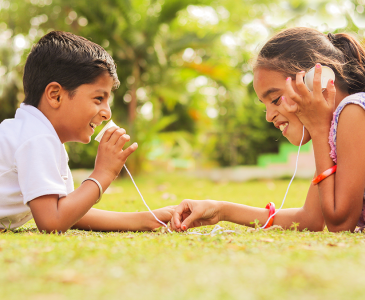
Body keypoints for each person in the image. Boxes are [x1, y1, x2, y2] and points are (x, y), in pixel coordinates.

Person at [171, 27, 365, 233]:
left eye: (274, 99)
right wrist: (220, 210)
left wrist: (318, 129)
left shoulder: (353, 111)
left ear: (316, 81)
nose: (268, 116)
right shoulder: (337, 127)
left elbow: (341, 224)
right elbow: (310, 218)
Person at [0, 31, 174, 233]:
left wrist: (148, 219)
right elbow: (52, 221)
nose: (107, 113)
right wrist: (104, 173)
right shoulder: (37, 138)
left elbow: (68, 211)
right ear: (55, 96)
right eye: (99, 98)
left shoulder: (38, 135)